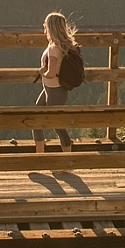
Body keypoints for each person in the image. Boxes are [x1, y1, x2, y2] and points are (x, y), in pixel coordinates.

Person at [33, 12, 78, 152]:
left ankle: (66, 160)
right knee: (36, 120)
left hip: (54, 91)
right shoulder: (60, 46)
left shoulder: (53, 48)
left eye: (45, 24)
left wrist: (42, 72)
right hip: (52, 90)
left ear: (51, 27)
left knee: (56, 124)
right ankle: (41, 157)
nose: (43, 26)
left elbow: (51, 74)